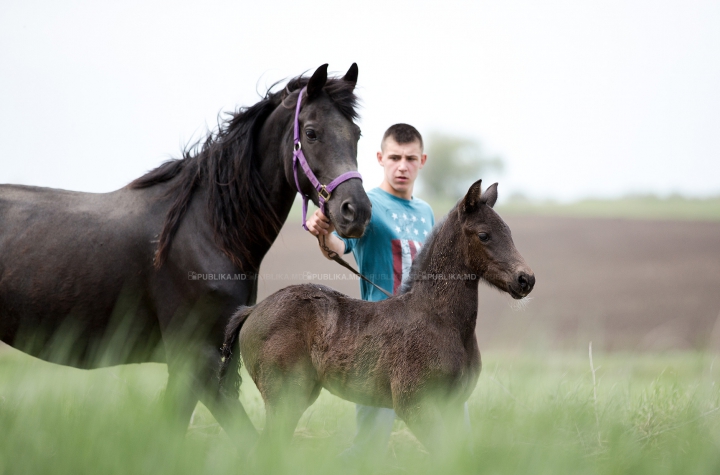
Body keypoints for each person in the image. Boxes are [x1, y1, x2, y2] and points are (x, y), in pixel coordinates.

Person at [305, 123, 434, 459]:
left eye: (409, 158)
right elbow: (338, 246)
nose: (402, 166)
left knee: (453, 437)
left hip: (425, 340)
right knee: (369, 448)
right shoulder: (366, 205)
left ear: (422, 160)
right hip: (380, 339)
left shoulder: (426, 212)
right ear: (380, 158)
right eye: (394, 157)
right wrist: (322, 234)